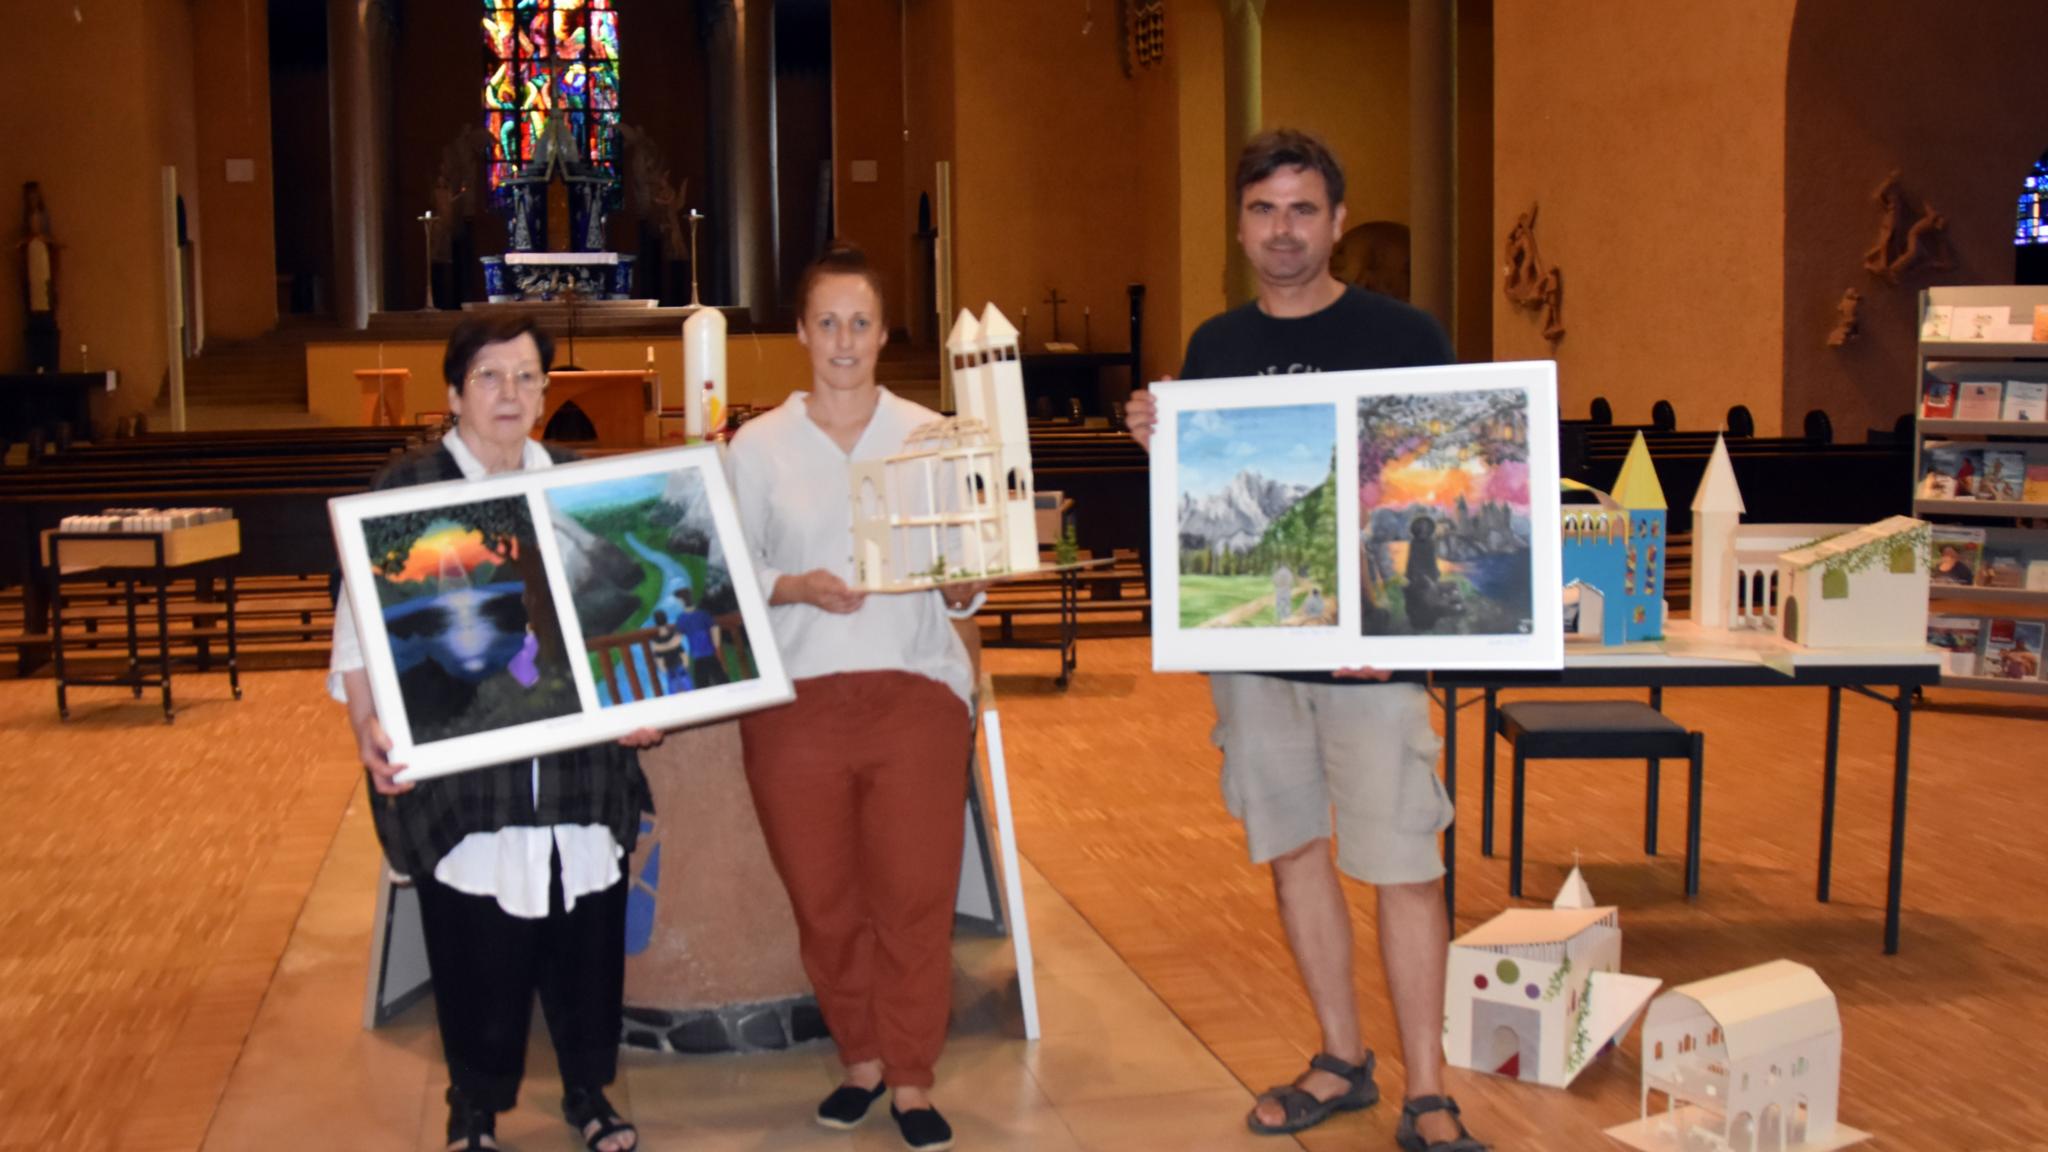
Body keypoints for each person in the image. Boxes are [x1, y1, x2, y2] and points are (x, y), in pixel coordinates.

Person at [1123, 129, 1485, 1152]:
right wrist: (1162, 441)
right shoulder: (1214, 348)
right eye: (1261, 210)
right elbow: (1205, 507)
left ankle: (1428, 1088)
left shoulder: (1403, 335)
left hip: (1370, 654)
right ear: (1239, 224)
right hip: (1253, 664)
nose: (1280, 230)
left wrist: (1409, 628)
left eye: (1300, 210)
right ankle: (1340, 1057)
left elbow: (1442, 494)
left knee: (1402, 857)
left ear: (1334, 221)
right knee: (1292, 849)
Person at [331, 316, 658, 1152]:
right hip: (468, 769)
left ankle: (589, 1092)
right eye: (489, 376)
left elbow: (626, 614)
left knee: (585, 938)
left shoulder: (581, 491)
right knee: (476, 943)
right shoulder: (407, 488)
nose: (509, 393)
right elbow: (360, 633)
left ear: (546, 390)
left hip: (577, 771)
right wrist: (368, 720)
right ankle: (472, 1106)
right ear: (453, 392)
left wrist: (641, 698)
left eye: (525, 376)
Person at [725, 243, 986, 1152]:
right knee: (826, 900)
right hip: (795, 700)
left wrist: (964, 588)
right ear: (801, 331)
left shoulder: (928, 433)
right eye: (827, 322)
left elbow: (966, 562)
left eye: (861, 323)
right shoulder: (755, 448)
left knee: (913, 897)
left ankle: (911, 1077)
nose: (844, 340)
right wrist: (790, 586)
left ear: (883, 334)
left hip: (914, 691)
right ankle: (860, 1059)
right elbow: (726, 568)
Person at [672, 585, 729, 687]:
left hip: (697, 655)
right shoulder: (703, 614)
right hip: (710, 652)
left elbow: (677, 640)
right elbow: (715, 629)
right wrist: (716, 645)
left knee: (702, 684)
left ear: (681, 601)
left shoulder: (682, 619)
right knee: (721, 680)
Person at [647, 609, 689, 694]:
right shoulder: (673, 632)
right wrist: (685, 662)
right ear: (666, 619)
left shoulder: (655, 638)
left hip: (668, 666)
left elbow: (658, 655)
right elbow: (680, 649)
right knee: (686, 685)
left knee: (673, 688)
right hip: (679, 662)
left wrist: (661, 667)